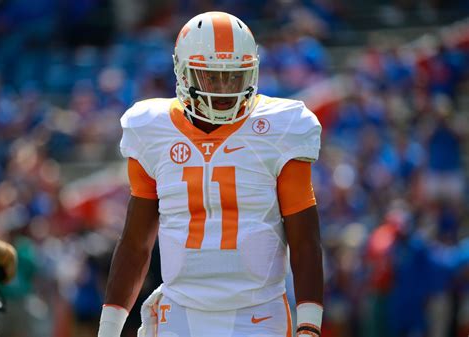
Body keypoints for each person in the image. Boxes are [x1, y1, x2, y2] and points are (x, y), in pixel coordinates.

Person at [98, 11, 324, 337]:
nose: (223, 89)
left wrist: (309, 326)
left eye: (234, 76)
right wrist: (108, 330)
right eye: (211, 77)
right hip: (180, 311)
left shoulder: (281, 127)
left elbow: (305, 241)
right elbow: (135, 243)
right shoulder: (152, 128)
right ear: (183, 73)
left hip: (257, 313)